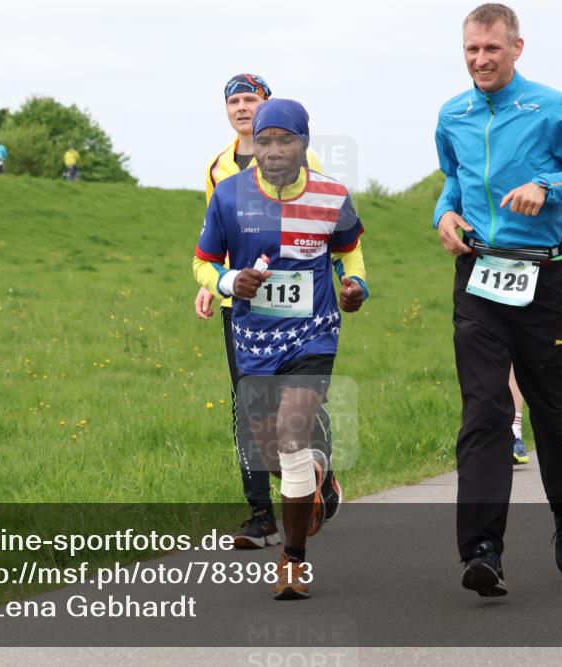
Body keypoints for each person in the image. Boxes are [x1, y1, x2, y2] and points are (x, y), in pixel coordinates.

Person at [433, 3, 562, 596]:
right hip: (479, 278)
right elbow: (453, 182)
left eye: (491, 48)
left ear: (516, 47)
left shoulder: (552, 106)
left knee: (554, 409)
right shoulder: (452, 113)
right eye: (471, 50)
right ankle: (483, 551)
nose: (480, 60)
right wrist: (444, 216)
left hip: (543, 281)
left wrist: (547, 186)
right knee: (484, 410)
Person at [194, 99, 367, 598]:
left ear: (304, 145)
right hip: (253, 339)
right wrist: (227, 280)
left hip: (313, 332)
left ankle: (292, 561)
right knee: (268, 448)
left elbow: (348, 250)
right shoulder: (227, 197)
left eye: (284, 140)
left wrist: (355, 284)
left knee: (291, 437)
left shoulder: (332, 196)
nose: (272, 151)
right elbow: (202, 262)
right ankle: (319, 474)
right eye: (265, 141)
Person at [511, 201, 562, 464]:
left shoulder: (549, 173)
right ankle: (512, 432)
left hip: (542, 273)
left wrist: (547, 208)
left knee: (538, 366)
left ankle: (532, 434)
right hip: (490, 269)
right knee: (500, 354)